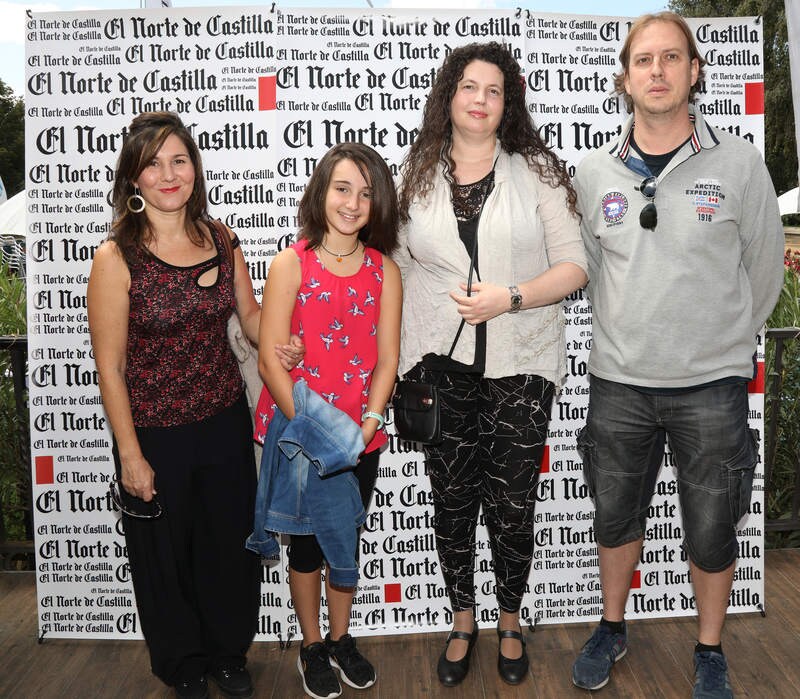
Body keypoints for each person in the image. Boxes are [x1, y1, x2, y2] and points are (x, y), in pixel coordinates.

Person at [570, 12, 785, 699]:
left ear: (694, 71)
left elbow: (764, 272)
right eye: (643, 60)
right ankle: (612, 625)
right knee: (614, 517)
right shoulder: (593, 171)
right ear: (625, 78)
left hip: (712, 388)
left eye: (671, 58)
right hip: (618, 384)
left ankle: (710, 646)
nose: (657, 71)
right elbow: (590, 268)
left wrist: (720, 343)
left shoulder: (741, 163)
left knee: (714, 525)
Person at [87, 111, 302, 699]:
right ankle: (183, 666)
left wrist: (279, 337)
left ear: (195, 168)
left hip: (224, 423)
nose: (168, 173)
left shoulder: (220, 239)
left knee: (228, 547)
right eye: (152, 163)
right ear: (133, 178)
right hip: (154, 433)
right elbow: (111, 367)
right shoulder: (115, 258)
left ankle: (228, 654)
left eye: (178, 159)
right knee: (165, 558)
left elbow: (250, 318)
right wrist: (130, 455)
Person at [394, 42, 588, 687]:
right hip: (437, 368)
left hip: (521, 362)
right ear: (449, 96)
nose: (480, 99)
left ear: (509, 106)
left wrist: (510, 297)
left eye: (494, 91)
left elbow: (574, 266)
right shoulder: (415, 175)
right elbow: (390, 269)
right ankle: (462, 617)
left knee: (511, 506)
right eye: (469, 87)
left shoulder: (536, 172)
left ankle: (509, 618)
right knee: (451, 502)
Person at [252, 142, 401, 699]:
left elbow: (388, 359)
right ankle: (312, 645)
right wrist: (317, 434)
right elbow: (270, 357)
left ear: (376, 204)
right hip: (297, 435)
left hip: (360, 437)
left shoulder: (386, 271)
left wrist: (365, 426)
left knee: (344, 537)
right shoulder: (291, 263)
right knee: (307, 546)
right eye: (343, 188)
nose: (352, 202)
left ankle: (342, 640)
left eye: (365, 193)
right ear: (321, 192)